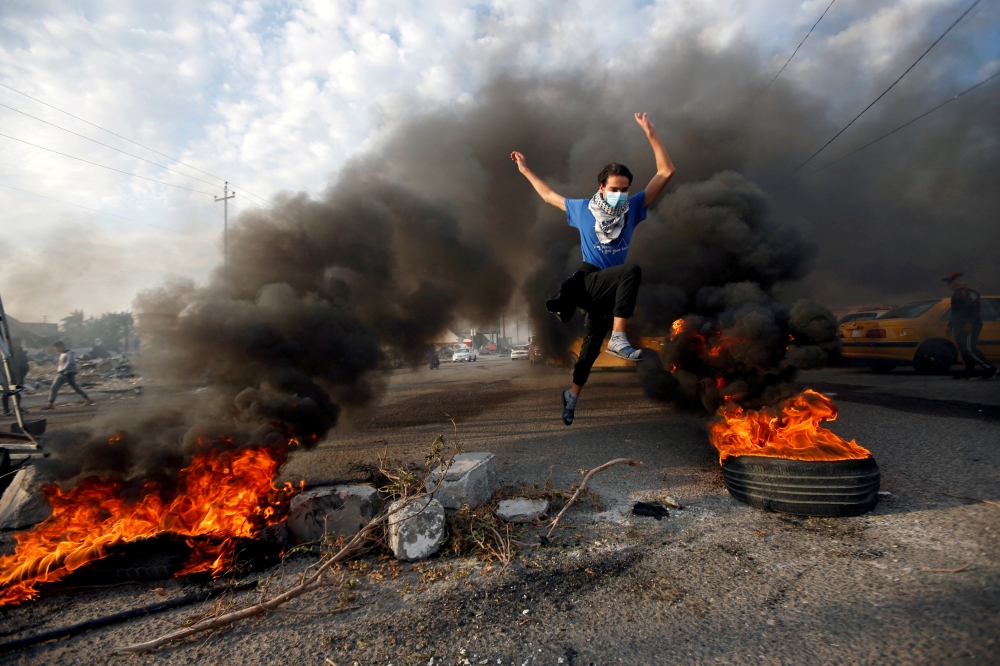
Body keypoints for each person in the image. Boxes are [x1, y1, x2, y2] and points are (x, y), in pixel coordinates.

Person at [511, 112, 675, 425]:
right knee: (631, 271)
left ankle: (571, 396)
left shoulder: (634, 208)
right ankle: (619, 339)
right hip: (588, 281)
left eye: (625, 189)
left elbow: (666, 171)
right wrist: (524, 169)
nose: (619, 195)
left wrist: (651, 133)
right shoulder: (581, 208)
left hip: (609, 293)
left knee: (587, 354)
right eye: (614, 188)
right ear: (601, 187)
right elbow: (547, 195)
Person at [943, 272, 996, 380]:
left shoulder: (970, 292)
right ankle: (970, 371)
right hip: (959, 325)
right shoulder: (956, 294)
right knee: (963, 349)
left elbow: (974, 308)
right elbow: (955, 312)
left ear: (957, 281)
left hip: (971, 325)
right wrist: (950, 326)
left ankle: (990, 368)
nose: (948, 284)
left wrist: (970, 323)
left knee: (969, 348)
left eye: (950, 281)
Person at [42, 341, 95, 409]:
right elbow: (61, 364)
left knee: (75, 387)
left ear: (62, 347)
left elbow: (69, 363)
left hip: (68, 373)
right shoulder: (62, 354)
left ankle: (88, 399)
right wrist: (59, 370)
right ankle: (50, 404)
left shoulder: (69, 353)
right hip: (61, 374)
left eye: (56, 348)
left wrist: (62, 370)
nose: (56, 350)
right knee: (54, 387)